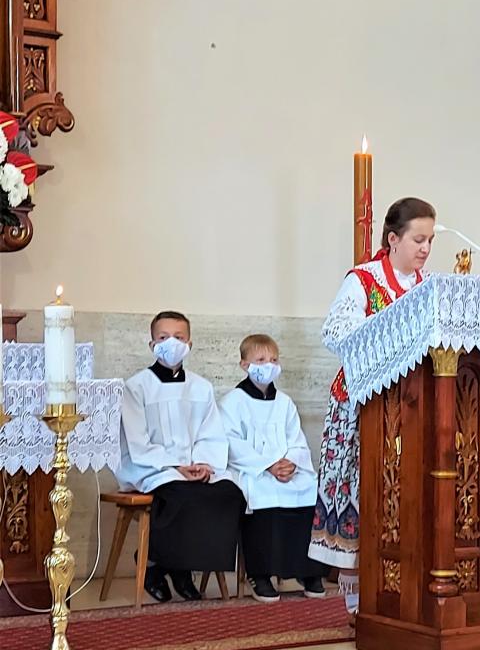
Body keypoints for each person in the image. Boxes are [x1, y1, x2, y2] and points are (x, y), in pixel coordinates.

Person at [308, 197, 436, 617]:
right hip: (363, 406)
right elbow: (335, 332)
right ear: (393, 239)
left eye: (430, 240)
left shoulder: (427, 287)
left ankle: (401, 592)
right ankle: (357, 604)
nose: (425, 249)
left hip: (412, 409)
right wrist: (390, 327)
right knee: (360, 493)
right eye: (418, 239)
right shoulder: (363, 280)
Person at [117, 310, 244, 602]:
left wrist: (203, 464)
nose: (171, 343)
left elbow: (210, 433)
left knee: (229, 494)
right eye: (163, 337)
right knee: (181, 494)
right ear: (152, 344)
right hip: (154, 466)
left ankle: (176, 566)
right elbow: (137, 440)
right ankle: (158, 566)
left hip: (194, 465)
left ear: (189, 344)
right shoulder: (136, 387)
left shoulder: (201, 387)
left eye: (179, 337)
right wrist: (175, 466)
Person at [219, 333, 326, 603]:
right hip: (252, 470)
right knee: (262, 493)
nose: (269, 365)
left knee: (309, 489)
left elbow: (296, 439)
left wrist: (291, 462)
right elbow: (230, 442)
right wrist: (267, 465)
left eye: (274, 360)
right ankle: (260, 574)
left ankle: (308, 571)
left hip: (286, 470)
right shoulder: (232, 402)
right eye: (261, 360)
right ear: (244, 365)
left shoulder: (284, 403)